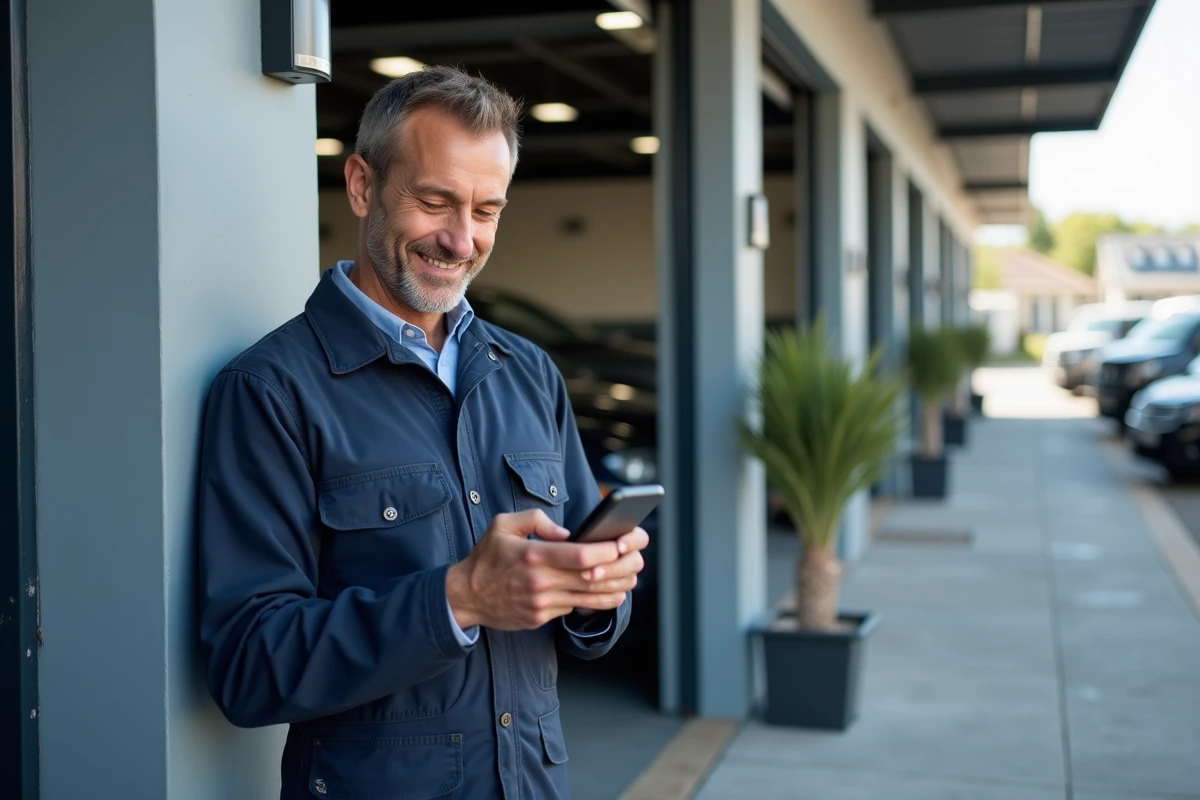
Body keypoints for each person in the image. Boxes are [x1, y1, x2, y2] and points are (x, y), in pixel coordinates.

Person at [196, 65, 648, 799]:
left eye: (487, 210)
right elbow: (250, 665)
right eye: (434, 201)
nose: (460, 240)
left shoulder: (529, 372)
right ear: (363, 185)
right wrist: (458, 599)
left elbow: (573, 601)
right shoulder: (271, 389)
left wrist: (601, 594)